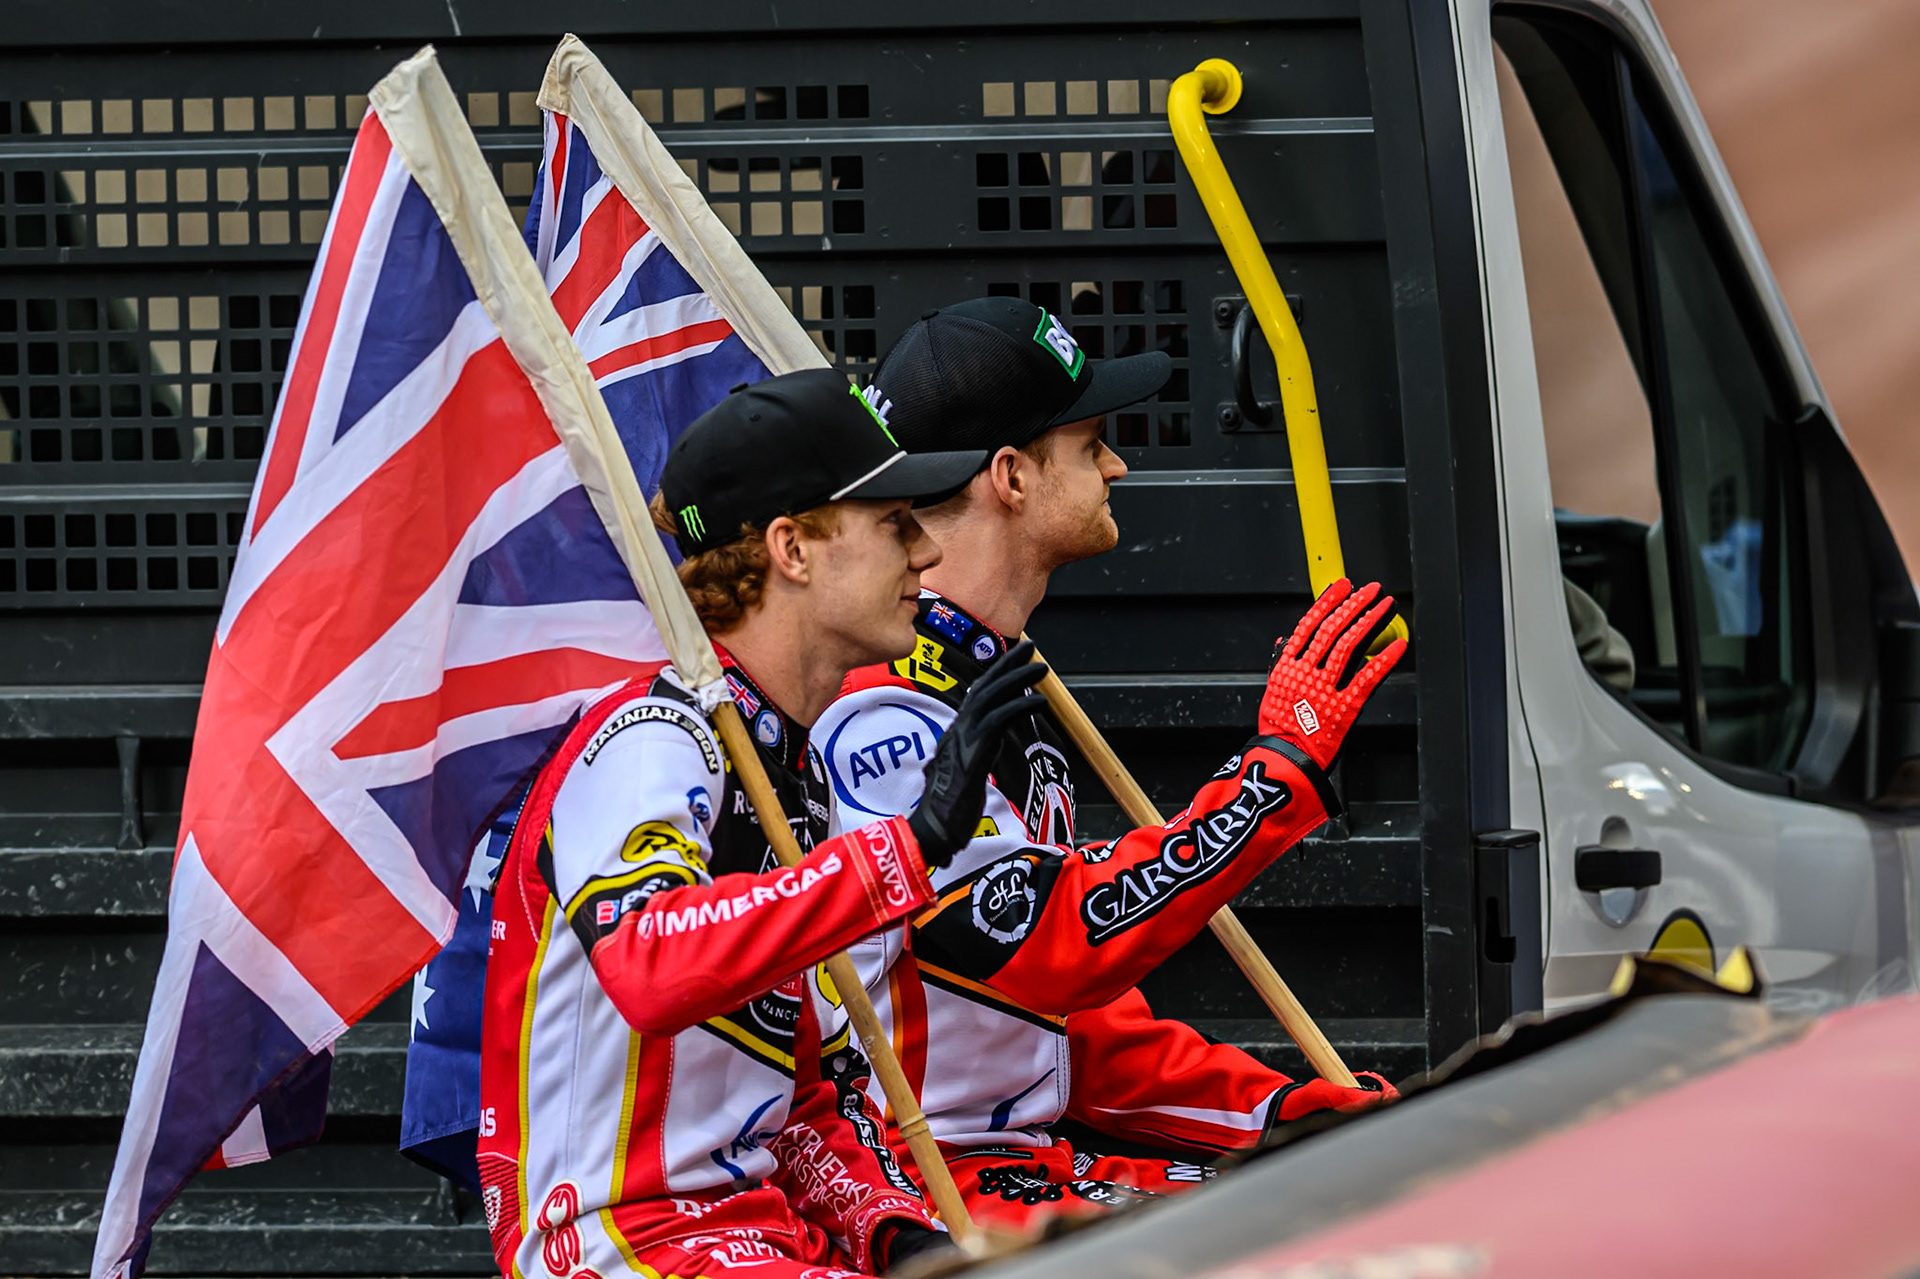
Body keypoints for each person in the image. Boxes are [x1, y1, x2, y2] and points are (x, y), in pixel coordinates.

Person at [812, 298, 1408, 1231]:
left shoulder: (994, 673)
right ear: (1010, 475)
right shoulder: (882, 703)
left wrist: (1283, 1117)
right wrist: (1275, 775)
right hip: (915, 1186)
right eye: (1090, 445)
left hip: (1028, 1156)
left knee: (1358, 1195)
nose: (1118, 465)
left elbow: (1073, 1037)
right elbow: (1050, 949)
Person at [477, 368, 1046, 1278]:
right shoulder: (654, 736)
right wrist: (908, 847)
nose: (926, 556)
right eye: (894, 523)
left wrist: (897, 1234)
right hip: (624, 1244)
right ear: (791, 547)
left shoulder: (790, 769)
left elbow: (803, 1105)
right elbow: (651, 963)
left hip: (762, 1238)